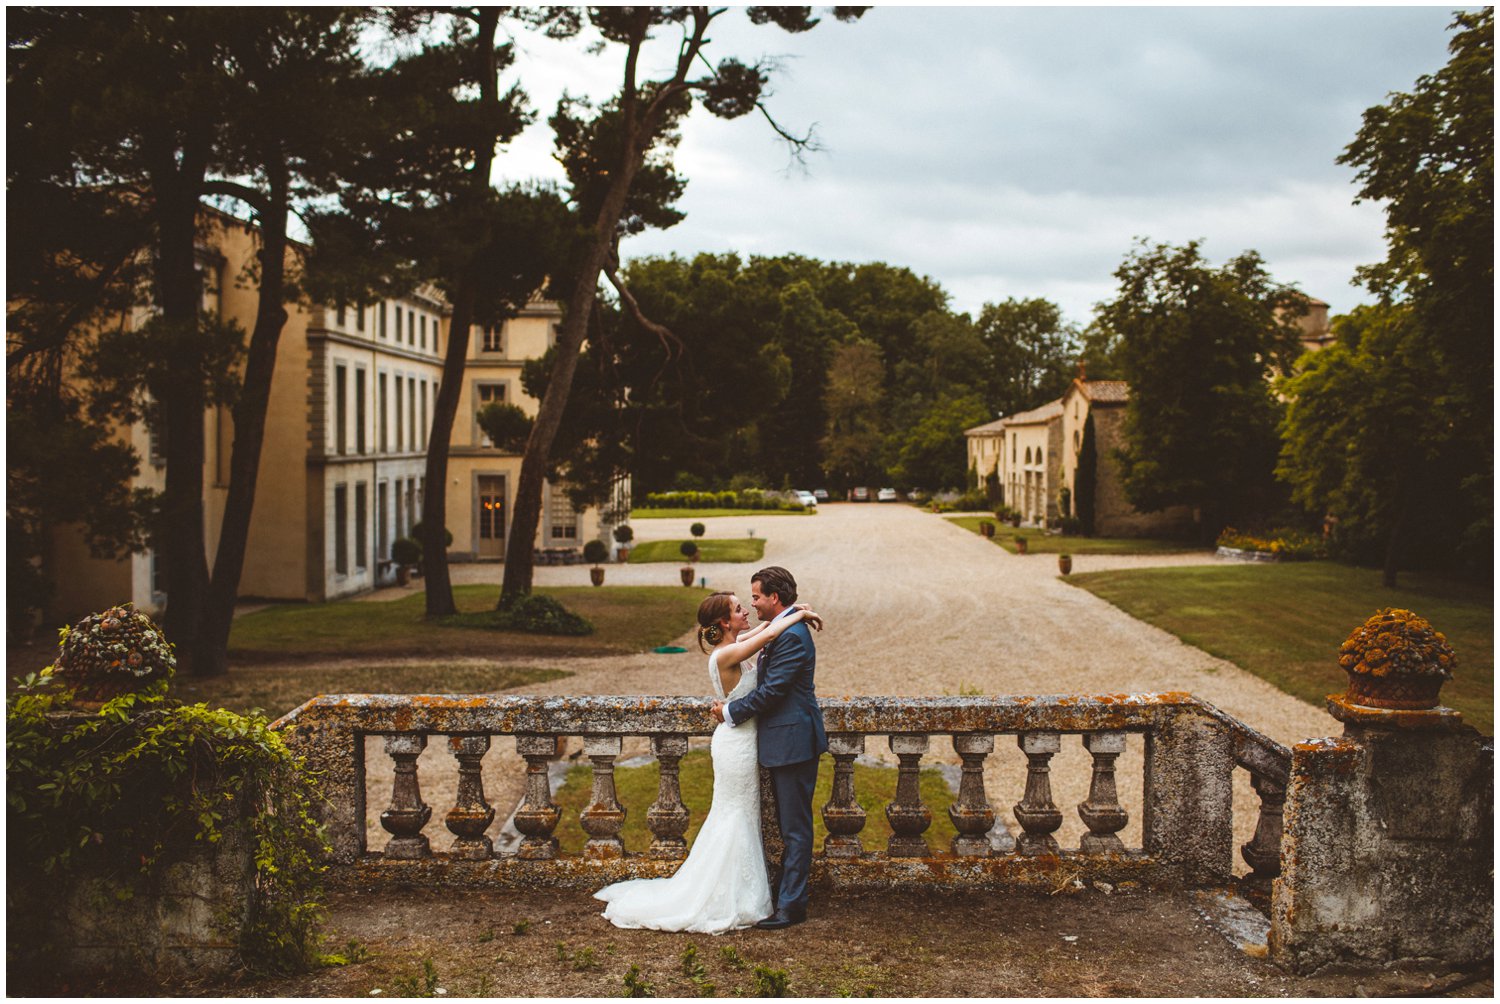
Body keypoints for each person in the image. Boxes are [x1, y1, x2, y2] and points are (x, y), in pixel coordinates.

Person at [594, 590, 823, 933]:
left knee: (741, 815)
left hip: (744, 740)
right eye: (737, 608)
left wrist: (795, 609)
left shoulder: (738, 641)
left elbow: (766, 630)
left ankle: (742, 891)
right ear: (723, 621)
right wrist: (800, 615)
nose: (745, 609)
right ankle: (727, 896)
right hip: (736, 744)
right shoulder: (726, 653)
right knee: (733, 816)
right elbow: (772, 633)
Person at [711, 565, 827, 930]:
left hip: (793, 741)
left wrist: (730, 710)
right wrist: (798, 612)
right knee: (787, 825)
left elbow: (773, 690)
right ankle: (783, 895)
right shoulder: (785, 629)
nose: (753, 604)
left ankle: (792, 906)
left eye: (757, 597)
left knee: (795, 828)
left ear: (774, 597)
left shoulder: (792, 637)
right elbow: (766, 635)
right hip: (781, 740)